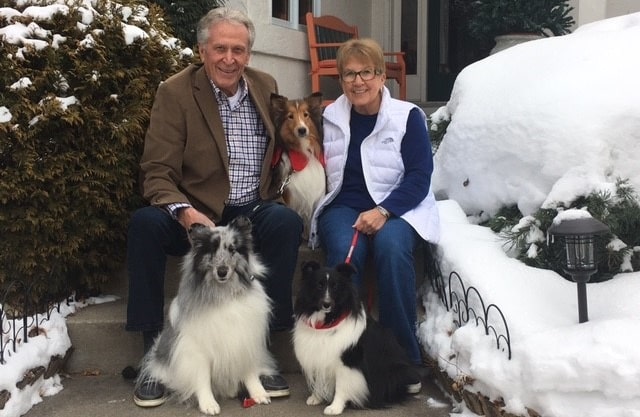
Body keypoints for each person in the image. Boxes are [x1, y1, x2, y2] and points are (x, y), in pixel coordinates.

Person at [126, 7, 302, 407]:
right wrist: (183, 212)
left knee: (285, 223)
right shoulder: (175, 92)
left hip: (248, 213)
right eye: (220, 48)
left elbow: (284, 146)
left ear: (249, 54)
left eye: (238, 49)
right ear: (202, 50)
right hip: (197, 214)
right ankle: (155, 351)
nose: (229, 58)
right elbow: (155, 170)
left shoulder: (264, 85)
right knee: (144, 225)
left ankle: (261, 354)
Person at [309, 38, 440, 393]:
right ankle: (343, 359)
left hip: (398, 206)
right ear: (340, 79)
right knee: (344, 258)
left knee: (392, 250)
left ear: (382, 76)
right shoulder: (328, 116)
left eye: (367, 72)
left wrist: (383, 210)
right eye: (349, 74)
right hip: (342, 206)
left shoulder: (407, 117)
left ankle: (403, 360)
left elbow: (419, 176)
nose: (358, 81)